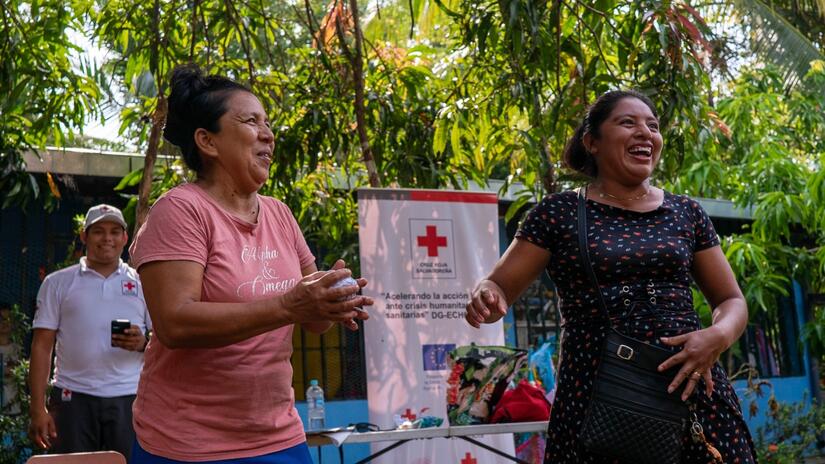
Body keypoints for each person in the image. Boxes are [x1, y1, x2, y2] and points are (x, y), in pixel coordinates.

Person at [465, 90, 757, 463]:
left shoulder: (686, 213)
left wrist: (717, 335)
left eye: (652, 125)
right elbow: (499, 285)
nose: (645, 133)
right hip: (599, 399)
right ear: (592, 142)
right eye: (628, 122)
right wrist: (486, 294)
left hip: (691, 389)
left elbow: (731, 300)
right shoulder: (559, 212)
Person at [128, 64, 373, 463]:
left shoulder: (279, 214)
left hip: (278, 435)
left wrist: (331, 301)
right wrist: (289, 305)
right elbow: (174, 323)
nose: (268, 134)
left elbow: (313, 321)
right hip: (187, 444)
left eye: (268, 123)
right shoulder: (181, 210)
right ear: (207, 141)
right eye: (250, 121)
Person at [29, 204, 152, 461]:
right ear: (84, 236)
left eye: (115, 231)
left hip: (129, 399)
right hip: (72, 398)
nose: (107, 238)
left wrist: (143, 342)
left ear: (125, 238)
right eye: (98, 231)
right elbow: (42, 346)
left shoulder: (144, 283)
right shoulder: (58, 283)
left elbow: (165, 338)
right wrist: (37, 408)